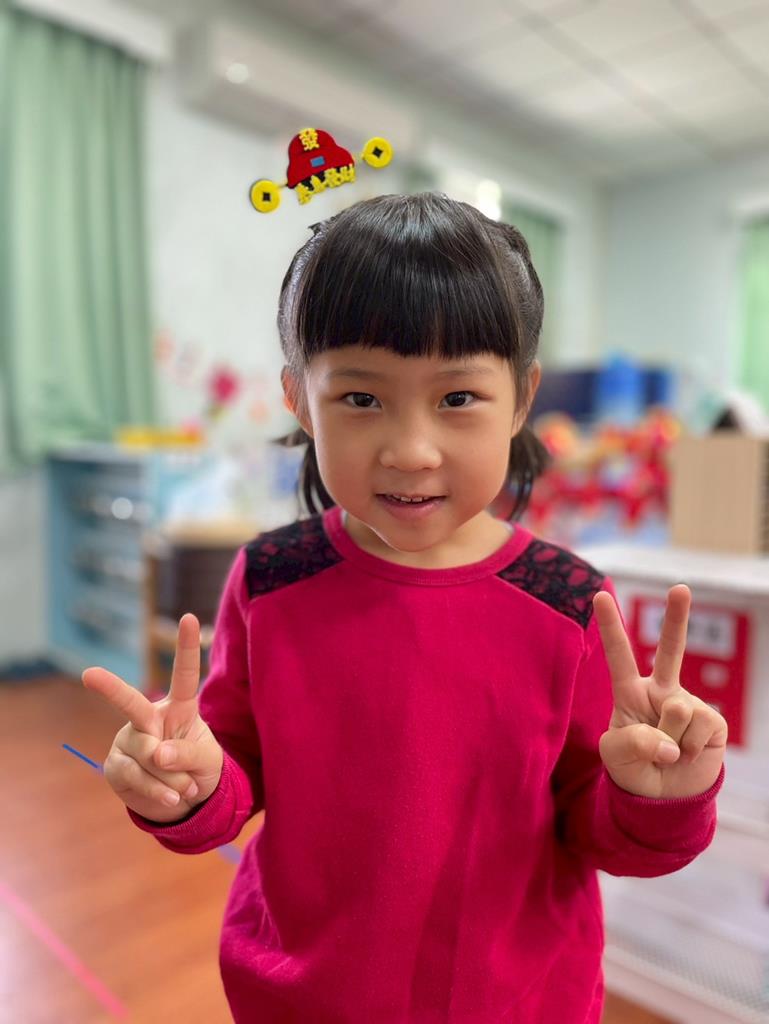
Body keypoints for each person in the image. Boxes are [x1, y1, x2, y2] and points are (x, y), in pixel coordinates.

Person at [82, 192, 727, 1023]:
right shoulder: (271, 578)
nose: (411, 450)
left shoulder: (569, 601)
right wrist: (183, 783)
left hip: (517, 1002)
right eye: (360, 399)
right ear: (298, 400)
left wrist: (661, 797)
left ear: (521, 398)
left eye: (456, 399)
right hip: (303, 996)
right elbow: (231, 775)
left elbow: (595, 825)